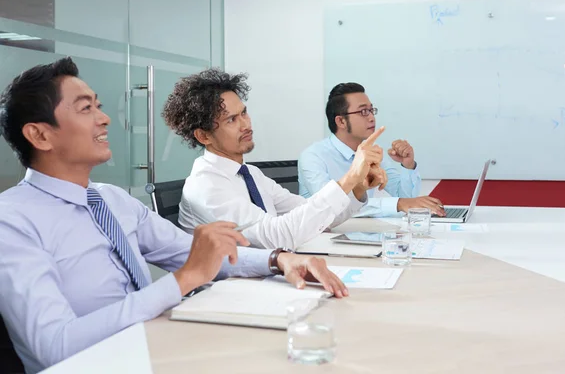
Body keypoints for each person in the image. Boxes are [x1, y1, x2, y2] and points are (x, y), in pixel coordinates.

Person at [0, 58, 348, 374]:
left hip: (160, 345)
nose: (104, 118)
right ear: (40, 134)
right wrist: (183, 280)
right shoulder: (12, 220)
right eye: (85, 108)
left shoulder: (112, 200)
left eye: (100, 106)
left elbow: (196, 254)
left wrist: (278, 260)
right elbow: (53, 349)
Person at [162, 69, 386, 249]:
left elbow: (311, 215)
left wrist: (357, 188)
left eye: (244, 113)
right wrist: (349, 178)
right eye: (231, 120)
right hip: (230, 291)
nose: (246, 124)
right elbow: (276, 236)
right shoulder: (206, 186)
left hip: (265, 277)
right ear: (203, 135)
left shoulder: (249, 174)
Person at [299, 82, 445, 218]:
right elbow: (329, 205)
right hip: (323, 238)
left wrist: (407, 164)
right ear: (341, 121)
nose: (371, 117)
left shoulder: (370, 152)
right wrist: (398, 204)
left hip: (360, 232)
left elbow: (407, 198)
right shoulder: (313, 157)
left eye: (371, 110)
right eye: (363, 111)